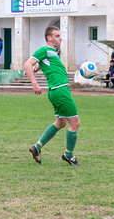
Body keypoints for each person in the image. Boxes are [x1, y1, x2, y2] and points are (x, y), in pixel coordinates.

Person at [25, 26, 81, 166]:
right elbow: (27, 64)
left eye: (60, 35)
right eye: (57, 35)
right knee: (75, 123)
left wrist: (36, 69)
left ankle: (37, 147)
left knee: (61, 123)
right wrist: (34, 83)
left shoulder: (52, 52)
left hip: (56, 91)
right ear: (49, 38)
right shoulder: (44, 49)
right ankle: (68, 155)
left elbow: (41, 63)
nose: (60, 38)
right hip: (60, 90)